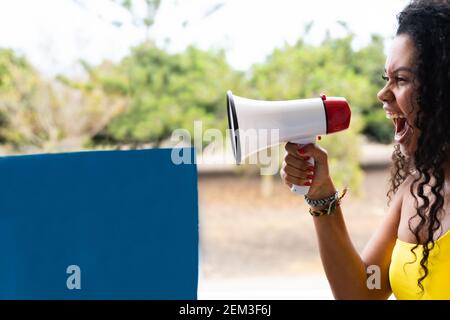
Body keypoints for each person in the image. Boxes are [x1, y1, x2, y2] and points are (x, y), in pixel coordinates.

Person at [280, 0, 450, 300]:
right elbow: (361, 292)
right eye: (387, 79)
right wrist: (321, 194)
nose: (382, 94)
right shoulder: (417, 190)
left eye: (401, 80)